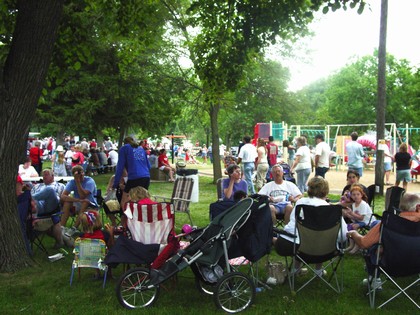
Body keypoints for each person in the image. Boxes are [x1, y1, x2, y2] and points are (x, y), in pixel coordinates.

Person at [273, 177, 348, 277]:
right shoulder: (332, 210)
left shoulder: (301, 203)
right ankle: (318, 270)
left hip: (296, 248)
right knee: (319, 238)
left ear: (309, 189)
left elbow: (292, 225)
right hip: (325, 251)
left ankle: (295, 269)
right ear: (325, 192)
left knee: (300, 238)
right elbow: (344, 235)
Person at [347, 193, 420, 289]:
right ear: (418, 207)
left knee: (374, 244)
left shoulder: (388, 223)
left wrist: (353, 233)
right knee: (376, 224)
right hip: (416, 266)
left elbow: (364, 243)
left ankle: (374, 279)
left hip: (390, 264)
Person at [112, 136, 151, 211]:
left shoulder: (124, 148)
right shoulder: (141, 148)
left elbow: (120, 167)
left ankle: (128, 220)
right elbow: (148, 166)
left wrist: (115, 184)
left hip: (134, 177)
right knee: (142, 200)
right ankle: (141, 218)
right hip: (146, 177)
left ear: (125, 142)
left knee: (124, 201)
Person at [31, 169, 66, 248]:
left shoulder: (60, 185)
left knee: (49, 190)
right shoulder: (37, 186)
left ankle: (29, 197)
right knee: (30, 187)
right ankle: (29, 198)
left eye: (46, 174)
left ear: (52, 176)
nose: (44, 177)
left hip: (52, 206)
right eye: (43, 175)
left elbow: (63, 198)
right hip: (39, 207)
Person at [342, 185, 373, 254]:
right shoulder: (354, 204)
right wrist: (348, 215)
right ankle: (351, 245)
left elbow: (361, 217)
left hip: (367, 221)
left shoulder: (363, 204)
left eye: (358, 194)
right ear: (351, 196)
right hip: (359, 221)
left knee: (354, 226)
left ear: (361, 195)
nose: (356, 196)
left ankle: (357, 245)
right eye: (354, 195)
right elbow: (355, 217)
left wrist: (351, 213)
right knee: (348, 226)